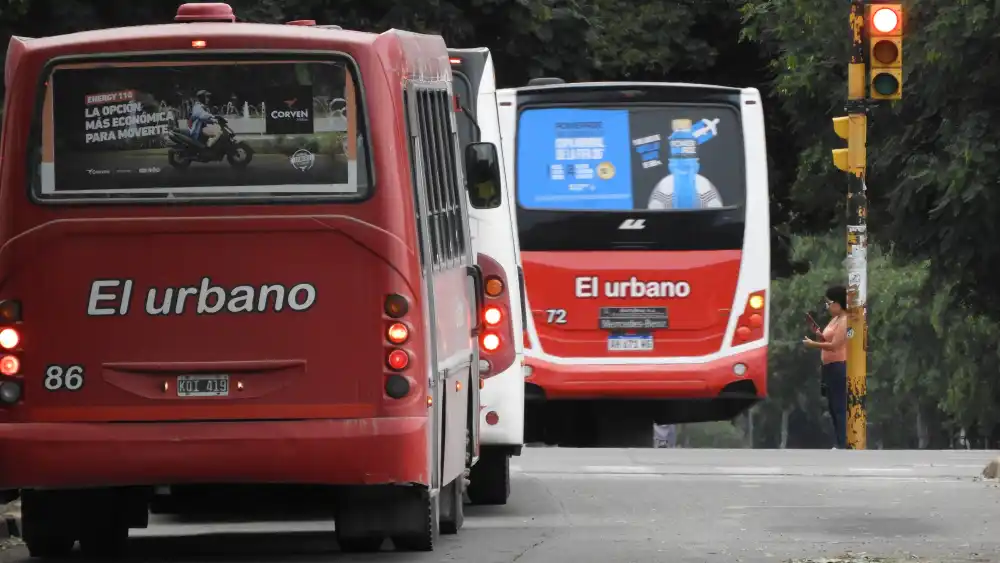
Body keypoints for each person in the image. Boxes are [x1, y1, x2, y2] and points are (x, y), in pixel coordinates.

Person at [802, 285, 848, 449]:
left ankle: (844, 442)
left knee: (839, 405)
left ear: (838, 303)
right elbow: (828, 341)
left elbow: (836, 345)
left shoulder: (845, 320)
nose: (827, 307)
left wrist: (813, 344)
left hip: (838, 365)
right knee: (831, 406)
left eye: (829, 303)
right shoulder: (834, 320)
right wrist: (819, 337)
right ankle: (839, 440)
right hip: (828, 366)